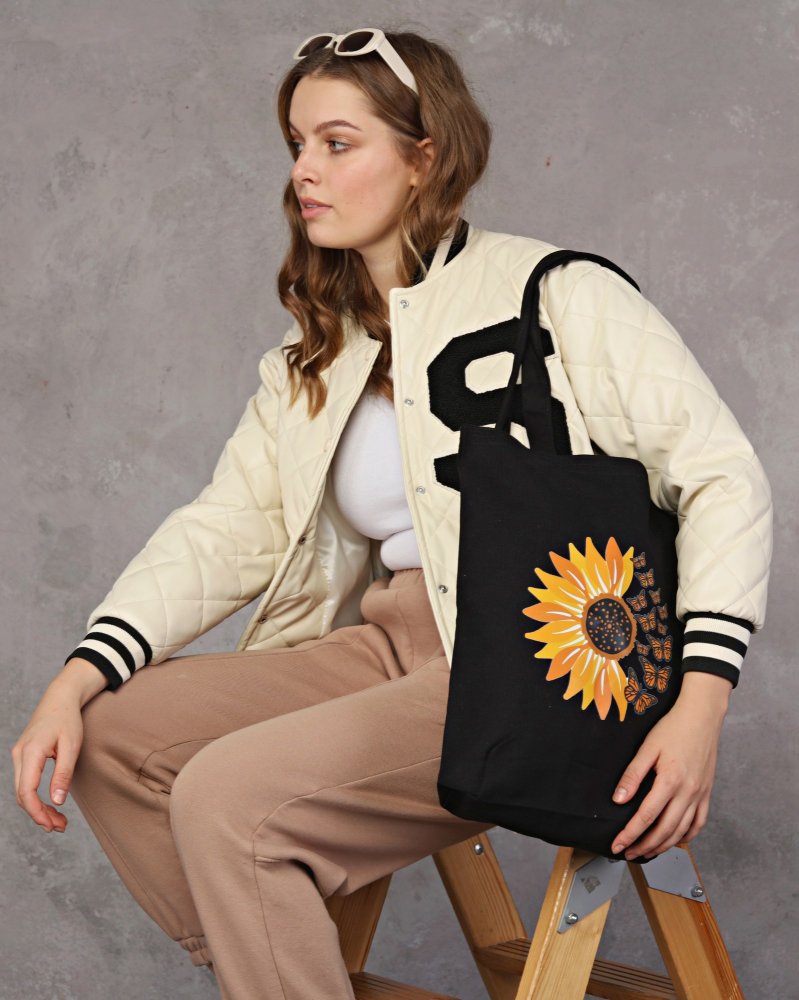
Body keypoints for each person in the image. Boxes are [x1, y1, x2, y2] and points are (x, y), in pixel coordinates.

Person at [11, 27, 771, 1000]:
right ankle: (277, 965)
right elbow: (224, 526)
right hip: (389, 646)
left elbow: (720, 477)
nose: (304, 171)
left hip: (534, 663)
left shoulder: (558, 294)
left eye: (337, 143)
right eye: (297, 144)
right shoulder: (321, 353)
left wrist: (700, 705)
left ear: (424, 158)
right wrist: (74, 678)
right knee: (114, 736)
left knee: (226, 799)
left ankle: (278, 965)